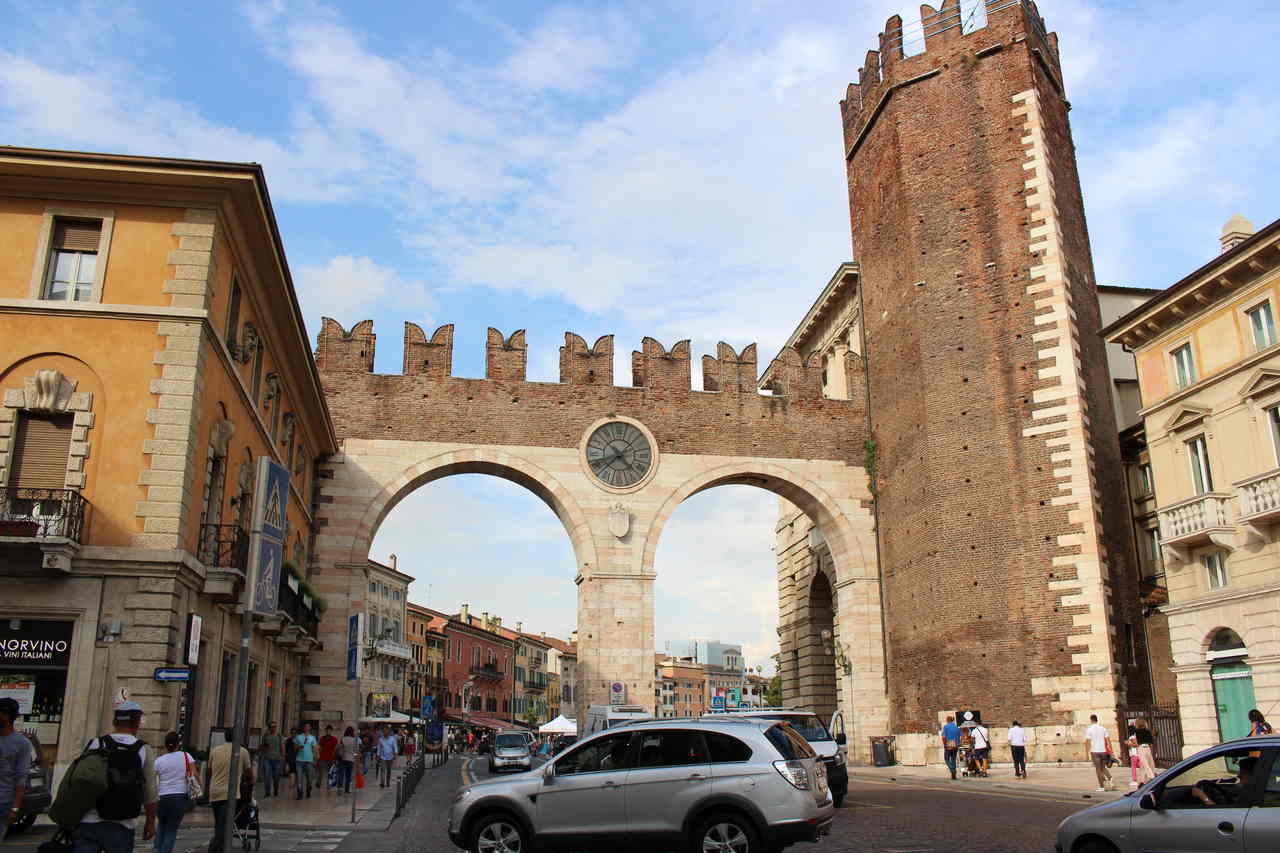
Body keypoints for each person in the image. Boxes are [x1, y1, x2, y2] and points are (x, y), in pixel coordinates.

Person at [76, 701, 157, 853]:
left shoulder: (95, 743)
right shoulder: (143, 749)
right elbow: (150, 791)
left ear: (114, 721)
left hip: (88, 820)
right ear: (137, 722)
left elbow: (77, 780)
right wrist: (150, 822)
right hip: (122, 823)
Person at [207, 738, 252, 853]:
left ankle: (218, 845)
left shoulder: (215, 750)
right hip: (229, 794)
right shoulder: (242, 751)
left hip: (214, 792)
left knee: (219, 822)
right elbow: (249, 772)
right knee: (224, 825)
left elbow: (209, 770)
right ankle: (215, 848)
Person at [152, 732, 194, 853]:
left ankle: (156, 850)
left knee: (161, 825)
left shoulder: (159, 760)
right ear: (178, 744)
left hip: (162, 797)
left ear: (165, 745)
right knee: (171, 829)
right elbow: (194, 774)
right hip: (179, 797)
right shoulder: (186, 756)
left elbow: (151, 778)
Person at [0, 697, 31, 844]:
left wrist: (15, 808)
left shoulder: (21, 743)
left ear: (6, 716)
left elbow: (21, 777)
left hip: (3, 803)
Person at [1191, 756, 1256, 806]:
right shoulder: (1252, 790)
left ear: (1253, 775)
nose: (1238, 775)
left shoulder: (1250, 794)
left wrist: (1203, 797)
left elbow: (1220, 814)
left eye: (1243, 773)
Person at [1085, 714, 1115, 792]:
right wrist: (1111, 752)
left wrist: (1087, 753)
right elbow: (1108, 741)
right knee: (1102, 767)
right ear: (1097, 719)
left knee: (1098, 769)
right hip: (1103, 751)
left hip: (1095, 751)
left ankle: (1102, 786)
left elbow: (1088, 742)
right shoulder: (1103, 729)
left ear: (1091, 720)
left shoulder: (1089, 729)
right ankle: (1110, 778)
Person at [293, 723, 318, 799]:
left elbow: (314, 749)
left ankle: (308, 789)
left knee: (309, 778)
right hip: (299, 760)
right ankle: (299, 793)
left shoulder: (312, 738)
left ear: (310, 728)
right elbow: (294, 749)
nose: (307, 728)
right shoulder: (298, 737)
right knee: (299, 778)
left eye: (308, 726)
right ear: (303, 728)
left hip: (309, 760)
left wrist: (315, 759)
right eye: (305, 726)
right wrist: (298, 747)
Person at [258, 724, 283, 798]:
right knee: (267, 776)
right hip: (267, 758)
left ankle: (275, 790)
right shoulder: (266, 736)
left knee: (276, 777)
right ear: (269, 728)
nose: (274, 728)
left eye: (275, 727)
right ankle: (267, 792)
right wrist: (262, 749)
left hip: (277, 759)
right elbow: (263, 746)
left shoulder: (279, 736)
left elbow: (282, 746)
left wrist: (283, 756)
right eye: (272, 727)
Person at [1133, 718, 1157, 784]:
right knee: (1148, 764)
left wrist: (1130, 743)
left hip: (1141, 748)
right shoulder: (1148, 731)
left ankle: (1152, 777)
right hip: (1147, 748)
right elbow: (1151, 743)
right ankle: (1143, 781)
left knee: (1145, 764)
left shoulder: (1136, 732)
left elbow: (1136, 743)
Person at [317, 726, 338, 793]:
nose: (328, 731)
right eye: (327, 730)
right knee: (321, 772)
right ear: (325, 731)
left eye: (330, 730)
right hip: (322, 757)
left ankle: (329, 785)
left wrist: (335, 758)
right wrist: (318, 756)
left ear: (331, 731)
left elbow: (335, 749)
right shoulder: (322, 738)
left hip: (331, 758)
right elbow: (320, 748)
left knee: (330, 773)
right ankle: (319, 783)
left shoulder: (334, 739)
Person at [338, 727, 358, 794]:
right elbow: (355, 751)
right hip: (351, 759)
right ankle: (347, 789)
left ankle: (340, 788)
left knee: (341, 774)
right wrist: (355, 759)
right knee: (348, 775)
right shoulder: (354, 740)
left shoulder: (343, 739)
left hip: (343, 758)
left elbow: (340, 748)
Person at [940, 716, 961, 780]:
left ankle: (952, 770)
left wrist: (945, 744)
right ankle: (953, 774)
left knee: (946, 758)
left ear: (947, 720)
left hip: (949, 744)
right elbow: (960, 736)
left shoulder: (946, 727)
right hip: (956, 744)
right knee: (953, 759)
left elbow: (943, 737)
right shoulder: (957, 727)